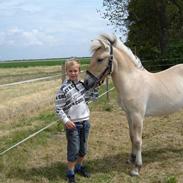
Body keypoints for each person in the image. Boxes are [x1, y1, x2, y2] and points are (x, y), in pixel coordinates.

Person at [55, 58, 98, 183]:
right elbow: (58, 108)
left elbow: (92, 98)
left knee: (83, 149)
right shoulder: (63, 88)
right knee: (73, 150)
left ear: (79, 71)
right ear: (66, 72)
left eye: (75, 71)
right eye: (70, 71)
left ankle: (79, 167)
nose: (73, 73)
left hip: (85, 122)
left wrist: (94, 88)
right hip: (72, 124)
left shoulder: (83, 85)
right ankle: (70, 173)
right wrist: (66, 121)